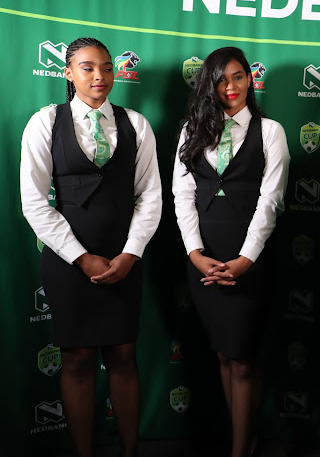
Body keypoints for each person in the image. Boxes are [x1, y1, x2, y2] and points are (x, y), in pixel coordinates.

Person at [20, 37, 162, 457]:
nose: (99, 76)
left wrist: (130, 254)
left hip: (124, 259)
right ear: (68, 72)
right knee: (78, 360)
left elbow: (151, 196)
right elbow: (33, 202)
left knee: (122, 355)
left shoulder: (136, 124)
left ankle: (130, 451)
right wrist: (82, 258)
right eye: (87, 67)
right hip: (68, 263)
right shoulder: (45, 122)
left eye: (106, 67)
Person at [172, 46, 290, 457]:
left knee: (242, 360)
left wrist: (245, 259)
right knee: (224, 355)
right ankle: (244, 438)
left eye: (239, 76)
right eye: (222, 79)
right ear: (209, 85)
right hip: (204, 261)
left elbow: (270, 202)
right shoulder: (192, 130)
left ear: (250, 80)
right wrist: (194, 253)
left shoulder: (270, 130)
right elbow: (182, 195)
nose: (231, 86)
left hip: (249, 261)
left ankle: (241, 450)